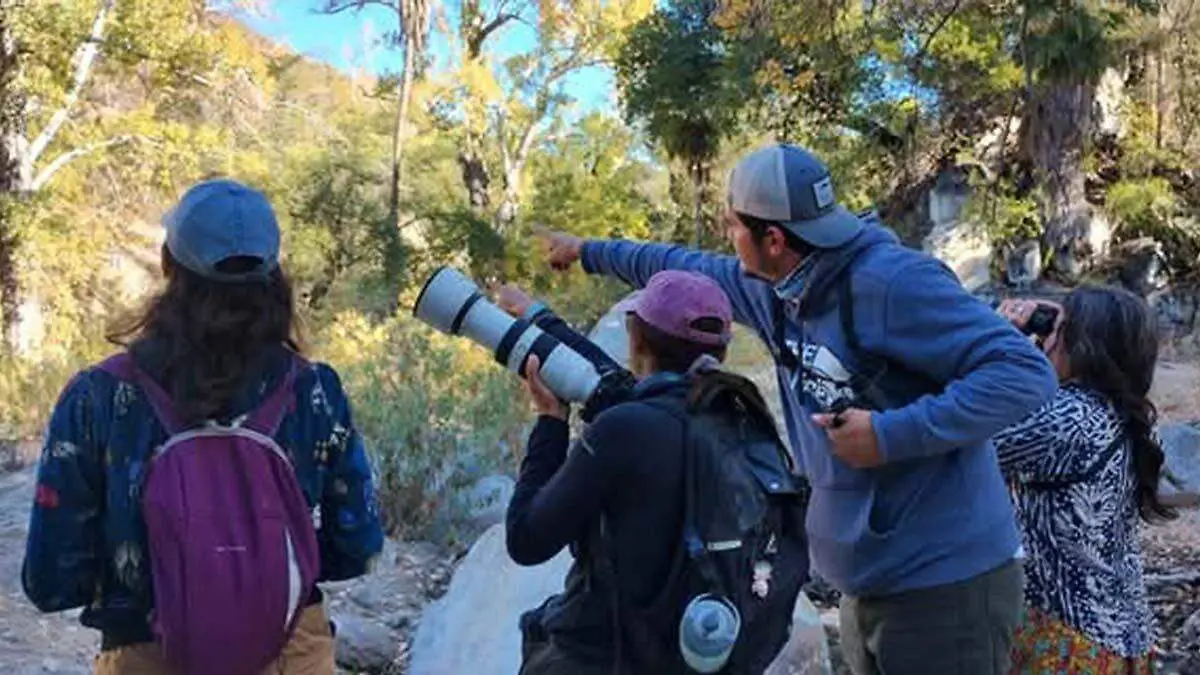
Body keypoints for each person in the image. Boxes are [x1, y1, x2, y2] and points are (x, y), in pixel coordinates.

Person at [537, 143, 1060, 674]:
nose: (727, 236)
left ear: (773, 238)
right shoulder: (773, 291)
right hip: (867, 584)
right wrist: (586, 250)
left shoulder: (893, 282)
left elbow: (1023, 372)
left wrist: (891, 433)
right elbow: (674, 264)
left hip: (946, 586)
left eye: (733, 226)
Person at [22, 179, 384, 674]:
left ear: (169, 265)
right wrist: (258, 566)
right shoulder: (314, 390)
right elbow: (358, 547)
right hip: (290, 648)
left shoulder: (98, 395)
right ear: (273, 273)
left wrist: (171, 572)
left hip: (147, 653)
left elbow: (51, 580)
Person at [501, 271, 808, 674]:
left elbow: (526, 540)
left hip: (607, 659)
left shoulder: (626, 429)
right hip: (695, 654)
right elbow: (612, 382)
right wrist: (540, 318)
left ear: (636, 340)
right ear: (721, 352)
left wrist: (550, 422)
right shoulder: (741, 419)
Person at [994, 288, 1176, 674]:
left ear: (1084, 343)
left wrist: (1001, 338)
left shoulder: (1067, 419)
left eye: (1057, 329)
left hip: (1066, 644)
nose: (1046, 338)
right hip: (1123, 638)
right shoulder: (1125, 414)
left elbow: (961, 440)